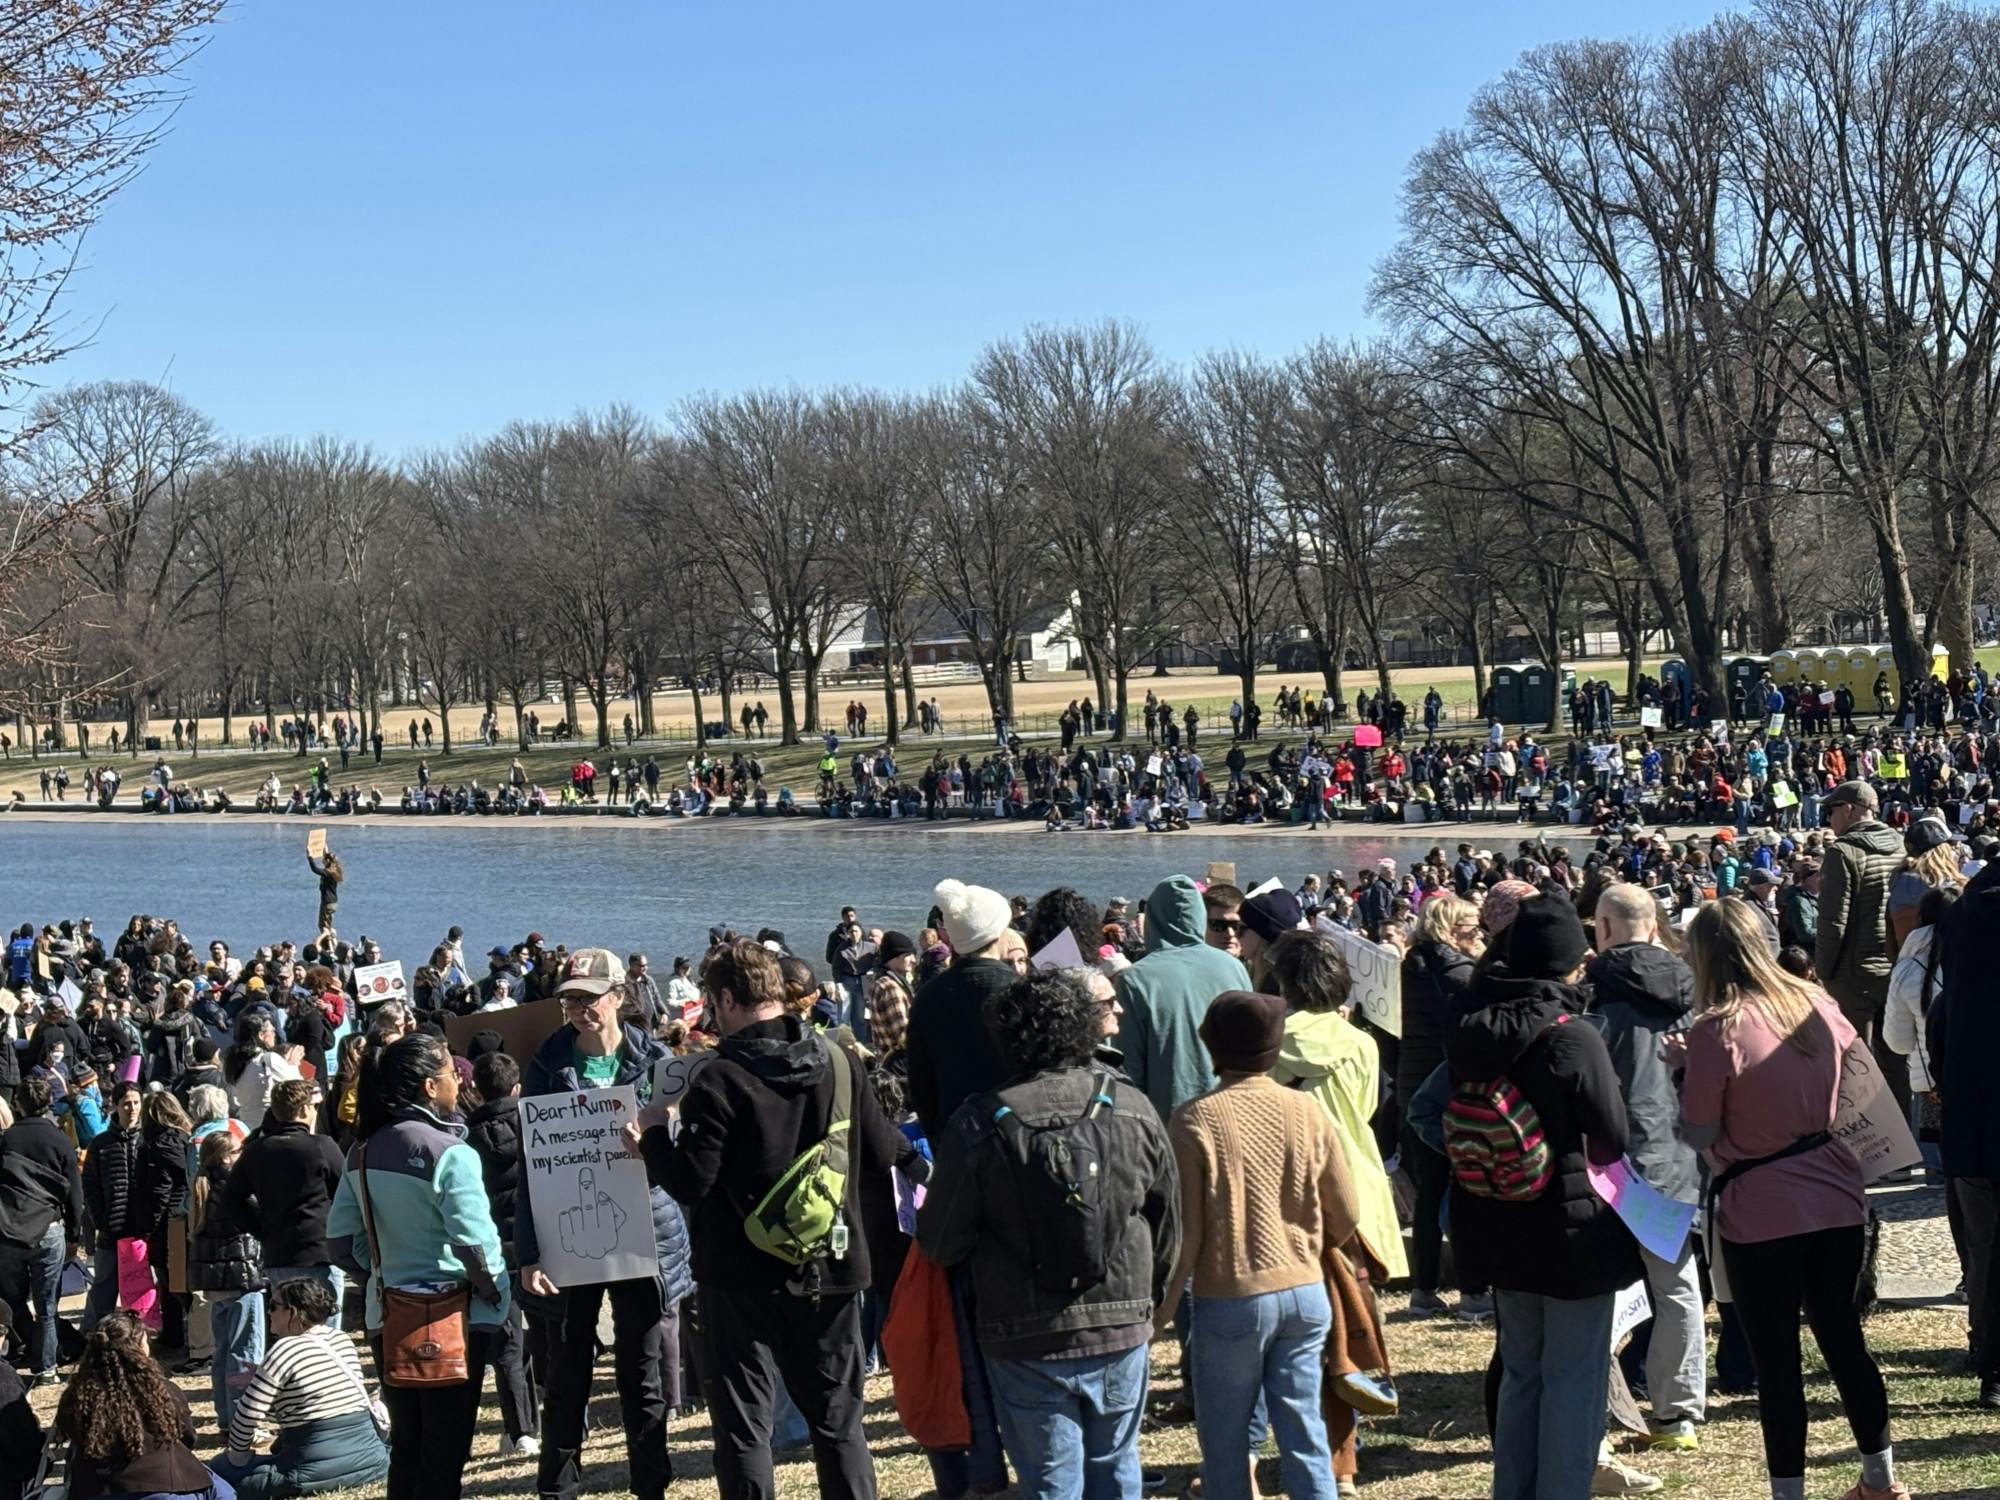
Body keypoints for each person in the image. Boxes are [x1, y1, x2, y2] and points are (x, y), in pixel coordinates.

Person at [637, 937, 925, 1500]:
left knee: (745, 1429)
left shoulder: (716, 1080)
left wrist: (651, 1134)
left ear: (723, 1000)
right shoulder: (839, 1062)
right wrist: (931, 1178)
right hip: (833, 1263)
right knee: (839, 1424)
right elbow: (886, 1145)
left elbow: (692, 1180)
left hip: (739, 1276)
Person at [918, 968, 1179, 1500]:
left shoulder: (977, 1123)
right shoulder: (1133, 1106)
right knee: (1116, 1464)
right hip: (1120, 1315)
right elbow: (1169, 1219)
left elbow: (941, 1241)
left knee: (1048, 1480)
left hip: (1021, 1329)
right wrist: (1149, 1298)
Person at [1680, 898, 1908, 1500]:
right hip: (1835, 1190)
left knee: (1776, 1361)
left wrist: (1684, 1075)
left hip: (1758, 1205)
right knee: (1844, 1341)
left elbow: (1698, 1133)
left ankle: (1790, 1493)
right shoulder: (1818, 1003)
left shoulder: (1715, 1028)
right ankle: (1880, 1480)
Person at [1444, 895, 1642, 1500]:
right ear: (1566, 963)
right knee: (1574, 1375)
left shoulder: (1468, 1025)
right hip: (1569, 1224)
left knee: (1521, 1370)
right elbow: (1612, 1136)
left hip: (1492, 1212)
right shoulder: (1571, 1037)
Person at [1159, 990, 1357, 1500]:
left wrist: (1162, 1310)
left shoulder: (1193, 1119)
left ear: (1211, 1047)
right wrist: (1311, 1244)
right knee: (1304, 1427)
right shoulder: (1306, 1111)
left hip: (1230, 1294)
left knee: (1225, 1436)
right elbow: (1346, 1210)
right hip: (1305, 1287)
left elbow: (1187, 1231)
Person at [517, 948, 690, 1500]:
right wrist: (528, 1251)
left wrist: (659, 1143)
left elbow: (689, 1148)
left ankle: (651, 1486)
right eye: (569, 998)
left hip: (644, 1230)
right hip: (567, 1236)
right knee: (567, 1370)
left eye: (589, 997)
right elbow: (530, 1163)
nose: (578, 1008)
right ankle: (558, 1488)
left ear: (618, 996)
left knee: (642, 1372)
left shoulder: (658, 1059)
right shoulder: (544, 1065)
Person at [325, 1033, 511, 1500]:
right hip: (452, 1320)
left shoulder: (360, 1153)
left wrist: (380, 1270)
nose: (457, 1081)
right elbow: (475, 1245)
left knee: (406, 1449)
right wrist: (494, 1293)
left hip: (386, 1315)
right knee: (445, 1455)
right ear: (431, 1087)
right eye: (451, 1073)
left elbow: (340, 1242)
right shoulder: (451, 1153)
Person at [1587, 883, 1706, 1450]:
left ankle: (1595, 1399)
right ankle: (1679, 1410)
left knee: (1595, 1285)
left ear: (1602, 928)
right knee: (1677, 1282)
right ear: (1655, 926)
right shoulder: (1694, 987)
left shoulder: (1592, 992)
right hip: (1678, 1148)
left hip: (1607, 1156)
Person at [1265, 930, 1408, 1286]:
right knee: (1347, 1284)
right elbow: (1366, 1106)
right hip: (1350, 1165)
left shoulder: (1269, 1039)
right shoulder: (1362, 1044)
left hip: (1287, 1168)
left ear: (1286, 982)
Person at [1926, 855, 2000, 1410]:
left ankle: (1991, 1361)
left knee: (1986, 1246)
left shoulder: (1962, 915)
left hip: (1974, 1112)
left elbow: (1941, 1025)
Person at [212, 1274, 389, 1499]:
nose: (269, 1312)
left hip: (308, 1467)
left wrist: (237, 1458)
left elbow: (248, 1415)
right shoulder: (341, 1339)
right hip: (371, 1459)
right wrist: (264, 1377)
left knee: (219, 1470)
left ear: (293, 1312)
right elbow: (318, 1395)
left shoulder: (285, 1348)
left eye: (274, 1306)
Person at [1395, 894, 1486, 1319]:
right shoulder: (1459, 971)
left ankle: (1423, 1289)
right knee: (1465, 1188)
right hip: (1445, 1086)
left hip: (1410, 1083)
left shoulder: (1407, 965)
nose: (1478, 933)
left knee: (1430, 1193)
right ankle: (1472, 1291)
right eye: (1470, 927)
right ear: (1452, 929)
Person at [1115, 874, 1254, 1125]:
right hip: (1231, 1114)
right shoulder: (1233, 968)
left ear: (1153, 920)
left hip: (1167, 1122)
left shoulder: (1134, 979)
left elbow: (1127, 1069)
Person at [1814, 780, 1909, 1121]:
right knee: (1896, 1058)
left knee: (1856, 1064)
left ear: (1851, 809)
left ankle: (1874, 1149)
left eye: (1833, 810)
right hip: (1895, 968)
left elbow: (1832, 923)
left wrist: (1823, 972)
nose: (1829, 819)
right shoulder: (1900, 845)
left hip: (1854, 974)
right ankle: (1903, 1145)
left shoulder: (1843, 852)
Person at [57, 1312, 222, 1500]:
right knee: (224, 1492)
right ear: (138, 1349)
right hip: (164, 1488)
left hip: (96, 1490)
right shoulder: (163, 1391)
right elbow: (188, 1437)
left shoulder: (77, 1395)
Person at [463, 1050, 539, 1459]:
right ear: (517, 1088)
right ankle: (556, 1421)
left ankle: (520, 1430)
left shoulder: (466, 1142)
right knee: (549, 1337)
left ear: (475, 1090)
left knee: (508, 1345)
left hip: (494, 1252)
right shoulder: (540, 1127)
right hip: (538, 1244)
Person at [222, 1080, 347, 1328]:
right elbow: (346, 1194)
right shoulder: (322, 1146)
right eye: (313, 1106)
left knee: (289, 1329)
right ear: (303, 1110)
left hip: (279, 1250)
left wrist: (261, 1228)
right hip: (320, 1249)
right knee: (324, 1332)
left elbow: (231, 1199)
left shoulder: (257, 1150)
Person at [0, 1075, 83, 1385]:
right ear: (49, 1102)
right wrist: (75, 1234)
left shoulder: (6, 1140)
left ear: (18, 1103)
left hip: (9, 1230)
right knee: (47, 1306)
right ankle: (46, 1368)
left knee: (11, 1298)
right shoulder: (60, 1139)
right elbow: (75, 1193)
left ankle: (20, 1346)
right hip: (49, 1228)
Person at [188, 1130, 266, 1439]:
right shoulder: (232, 1189)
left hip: (216, 1283)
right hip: (241, 1277)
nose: (242, 1155)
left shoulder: (202, 1187)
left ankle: (226, 1417)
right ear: (224, 1157)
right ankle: (243, 1421)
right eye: (237, 1151)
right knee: (245, 1353)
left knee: (222, 1353)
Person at [79, 1081, 150, 1332]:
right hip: (112, 1228)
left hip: (143, 1229)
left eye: (136, 1103)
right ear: (115, 1106)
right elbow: (91, 1186)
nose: (132, 1109)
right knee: (104, 1286)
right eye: (126, 1103)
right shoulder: (101, 1144)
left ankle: (141, 1334)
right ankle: (93, 1334)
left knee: (142, 1289)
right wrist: (101, 1219)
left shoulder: (148, 1140)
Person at [223, 1013, 304, 1134]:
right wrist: (292, 1064)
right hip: (268, 1126)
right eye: (271, 1030)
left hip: (245, 1127)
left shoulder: (233, 1062)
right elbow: (299, 1087)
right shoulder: (268, 1059)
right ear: (261, 1035)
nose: (274, 1032)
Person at [306, 848, 343, 935]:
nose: (322, 860)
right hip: (333, 903)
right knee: (327, 926)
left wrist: (310, 857)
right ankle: (330, 941)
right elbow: (329, 858)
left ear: (327, 861)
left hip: (327, 903)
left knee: (323, 927)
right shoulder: (335, 871)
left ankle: (329, 945)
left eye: (324, 859)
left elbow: (315, 869)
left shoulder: (327, 873)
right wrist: (325, 849)